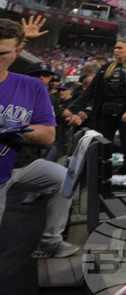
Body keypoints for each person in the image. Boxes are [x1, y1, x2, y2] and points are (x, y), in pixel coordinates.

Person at [0, 19, 80, 258]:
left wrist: (10, 128)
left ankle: (51, 241)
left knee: (65, 178)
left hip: (21, 165)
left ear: (16, 53)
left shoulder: (31, 86)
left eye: (2, 53)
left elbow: (47, 136)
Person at [66, 39, 126, 173]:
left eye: (120, 48)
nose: (116, 50)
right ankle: (101, 176)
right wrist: (71, 108)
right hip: (106, 111)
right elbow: (90, 90)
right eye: (115, 48)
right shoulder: (106, 67)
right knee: (102, 147)